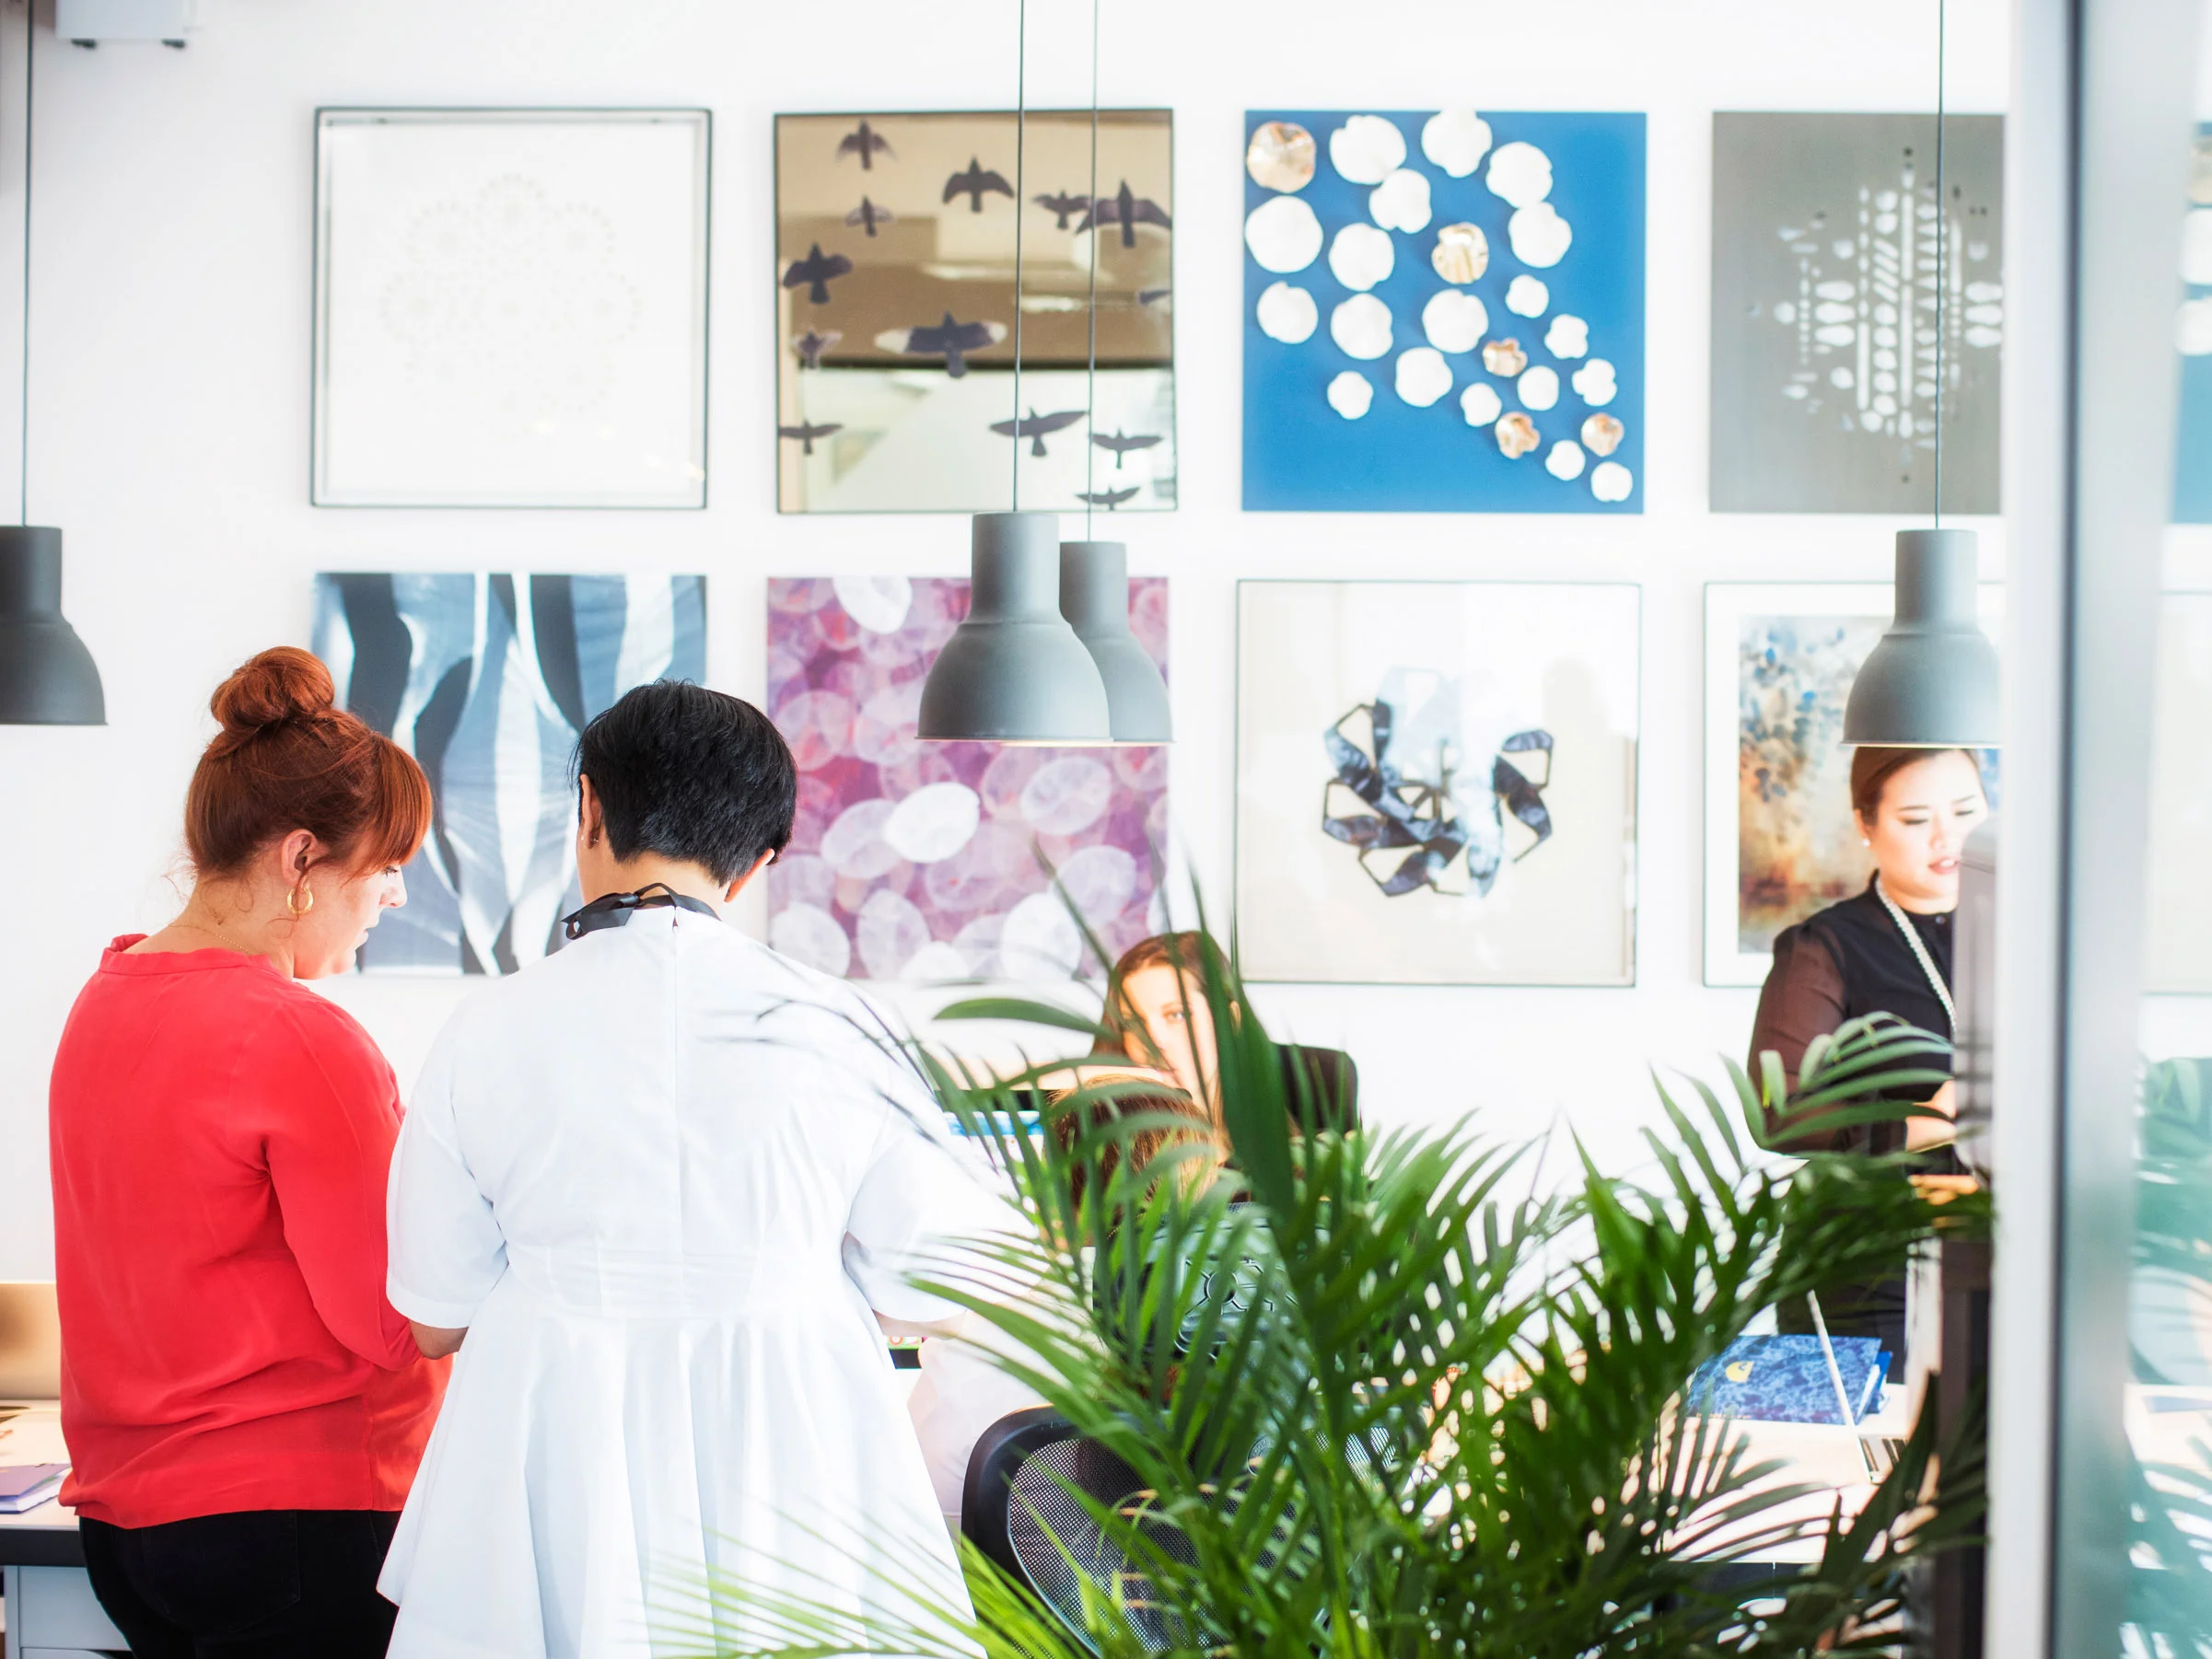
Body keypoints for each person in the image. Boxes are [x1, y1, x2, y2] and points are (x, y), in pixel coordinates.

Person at [378, 681, 1014, 1659]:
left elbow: (435, 1319)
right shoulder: (841, 1025)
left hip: (552, 1461)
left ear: (589, 807)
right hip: (794, 1460)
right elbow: (937, 1282)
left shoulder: (485, 1028)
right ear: (759, 862)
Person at [47, 646, 448, 1658]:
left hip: (129, 1530)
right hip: (300, 1525)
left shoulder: (103, 1000)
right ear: (303, 858)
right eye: (386, 866)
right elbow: (393, 1323)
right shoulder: (302, 1038)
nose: (396, 897)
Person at [1747, 744, 1989, 1352]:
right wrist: (1932, 1119)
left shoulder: (2033, 932)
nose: (1947, 838)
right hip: (1869, 1265)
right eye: (1916, 819)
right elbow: (1782, 1112)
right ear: (1866, 823)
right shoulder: (1823, 947)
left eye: (1965, 811)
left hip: (2010, 1250)